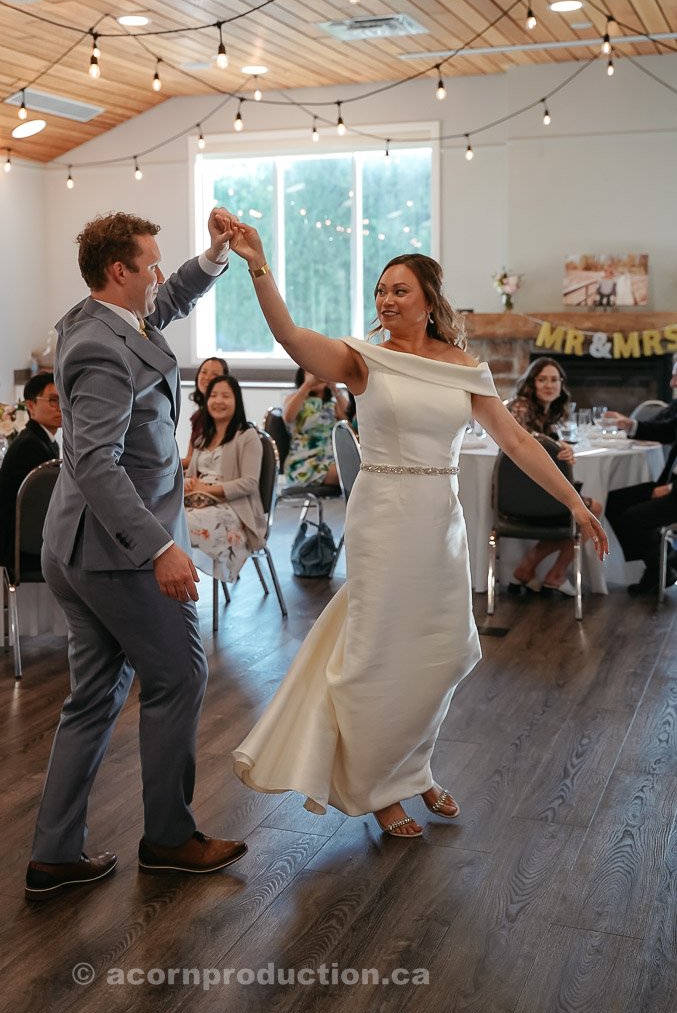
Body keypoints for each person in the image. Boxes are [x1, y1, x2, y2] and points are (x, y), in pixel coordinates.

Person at [228, 231, 607, 839]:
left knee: (441, 652)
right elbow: (292, 338)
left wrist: (576, 503)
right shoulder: (363, 360)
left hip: (440, 522)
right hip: (384, 516)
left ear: (428, 300)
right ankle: (381, 790)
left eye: (400, 289)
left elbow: (516, 442)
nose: (387, 299)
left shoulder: (465, 368)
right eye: (380, 290)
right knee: (382, 655)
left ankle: (412, 766)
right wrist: (259, 267)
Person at [25, 208, 247, 901]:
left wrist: (212, 257)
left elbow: (168, 298)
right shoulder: (99, 347)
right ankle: (169, 839)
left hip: (80, 547)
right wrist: (159, 548)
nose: (159, 272)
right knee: (178, 677)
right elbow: (91, 461)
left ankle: (55, 855)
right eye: (150, 262)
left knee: (92, 698)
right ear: (118, 272)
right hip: (116, 552)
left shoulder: (107, 318)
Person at [506, 357, 604, 597]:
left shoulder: (550, 412)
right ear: (532, 383)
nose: (549, 385)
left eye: (554, 380)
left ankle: (530, 567)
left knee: (585, 511)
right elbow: (522, 439)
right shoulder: (520, 405)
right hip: (521, 493)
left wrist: (560, 445)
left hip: (537, 490)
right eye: (542, 379)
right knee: (591, 511)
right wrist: (555, 444)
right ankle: (555, 573)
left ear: (561, 384)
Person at [603, 355, 677, 595]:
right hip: (669, 483)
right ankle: (664, 561)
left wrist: (672, 489)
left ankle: (659, 568)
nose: (672, 383)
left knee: (634, 518)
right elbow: (666, 430)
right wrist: (629, 424)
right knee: (612, 501)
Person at [184, 374, 267, 583]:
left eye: (225, 396)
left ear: (236, 401)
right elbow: (192, 474)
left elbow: (249, 483)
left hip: (234, 508)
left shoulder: (247, 436)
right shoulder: (203, 437)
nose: (218, 401)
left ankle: (179, 588)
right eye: (213, 395)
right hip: (199, 502)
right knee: (163, 521)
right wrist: (189, 483)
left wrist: (206, 488)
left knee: (181, 525)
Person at [0, 371, 62, 576]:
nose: (60, 407)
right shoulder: (30, 446)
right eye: (52, 400)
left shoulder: (42, 440)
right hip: (23, 546)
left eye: (63, 399)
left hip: (31, 541)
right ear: (30, 406)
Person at [282, 368, 351, 486]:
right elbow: (288, 417)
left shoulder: (332, 405)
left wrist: (334, 388)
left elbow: (349, 421)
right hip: (305, 462)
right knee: (349, 472)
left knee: (356, 468)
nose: (317, 376)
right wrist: (307, 386)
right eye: (310, 372)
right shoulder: (295, 399)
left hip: (330, 458)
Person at [181, 356, 230, 469]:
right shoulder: (198, 416)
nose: (207, 378)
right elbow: (190, 457)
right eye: (204, 372)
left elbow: (203, 461)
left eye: (215, 375)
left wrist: (167, 466)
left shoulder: (222, 417)